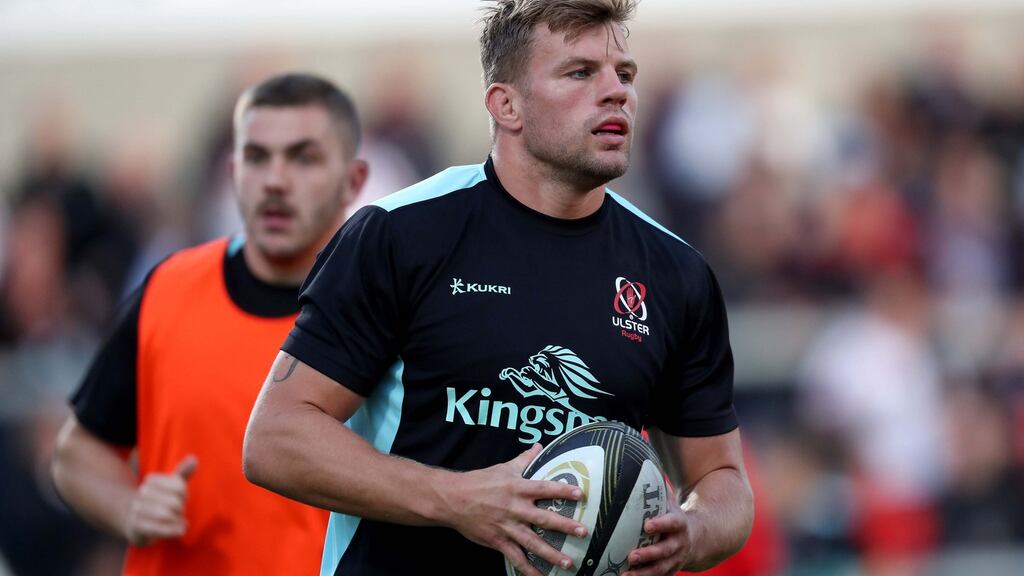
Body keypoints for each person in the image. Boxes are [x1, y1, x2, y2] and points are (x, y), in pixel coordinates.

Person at [243, 2, 754, 575]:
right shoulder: (401, 233)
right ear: (505, 104)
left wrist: (693, 529)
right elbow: (276, 437)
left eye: (625, 74)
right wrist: (456, 500)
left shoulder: (674, 272)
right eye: (580, 72)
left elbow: (722, 479)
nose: (616, 93)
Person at [50, 72, 368, 575]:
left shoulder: (387, 309)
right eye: (257, 157)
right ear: (232, 169)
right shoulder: (169, 289)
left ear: (354, 180)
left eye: (303, 157)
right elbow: (77, 453)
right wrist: (129, 507)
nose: (276, 180)